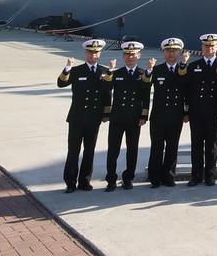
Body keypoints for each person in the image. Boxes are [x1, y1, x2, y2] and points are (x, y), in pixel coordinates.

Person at [57, 38, 111, 193]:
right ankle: (70, 182)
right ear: (86, 53)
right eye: (90, 52)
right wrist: (67, 67)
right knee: (73, 150)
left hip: (94, 118)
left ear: (100, 54)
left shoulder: (104, 71)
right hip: (77, 117)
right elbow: (61, 83)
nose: (93, 55)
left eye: (96, 53)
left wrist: (106, 114)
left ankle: (85, 181)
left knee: (89, 151)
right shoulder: (77, 70)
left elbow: (108, 93)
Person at [103, 40, 151, 191]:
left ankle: (128, 178)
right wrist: (110, 71)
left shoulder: (143, 74)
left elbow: (146, 95)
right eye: (127, 55)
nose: (130, 57)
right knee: (113, 150)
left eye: (133, 55)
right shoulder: (116, 74)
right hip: (117, 117)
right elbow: (106, 90)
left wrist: (144, 116)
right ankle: (111, 179)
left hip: (134, 118)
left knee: (132, 150)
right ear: (124, 56)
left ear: (139, 55)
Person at [183, 33, 217, 186]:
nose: (209, 48)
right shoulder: (194, 66)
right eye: (206, 46)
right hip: (196, 112)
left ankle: (210, 175)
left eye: (212, 46)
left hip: (213, 112)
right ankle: (196, 175)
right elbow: (187, 91)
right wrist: (187, 111)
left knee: (211, 145)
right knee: (196, 145)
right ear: (202, 47)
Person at [147, 37, 188, 188]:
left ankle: (169, 176)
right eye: (168, 51)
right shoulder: (157, 70)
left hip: (176, 115)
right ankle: (155, 177)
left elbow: (188, 93)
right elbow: (144, 87)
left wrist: (186, 112)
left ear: (179, 52)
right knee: (157, 148)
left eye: (174, 51)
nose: (171, 54)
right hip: (158, 116)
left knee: (172, 147)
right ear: (163, 52)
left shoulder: (184, 70)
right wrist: (149, 70)